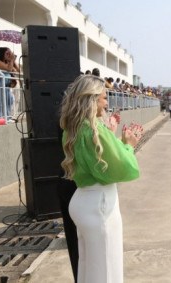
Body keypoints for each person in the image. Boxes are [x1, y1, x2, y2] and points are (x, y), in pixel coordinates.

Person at [60, 75, 140, 283]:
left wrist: (115, 140)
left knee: (88, 268)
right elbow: (121, 167)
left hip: (81, 202)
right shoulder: (95, 130)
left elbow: (99, 159)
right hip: (100, 205)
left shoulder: (72, 129)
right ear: (92, 100)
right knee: (107, 270)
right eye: (104, 98)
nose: (107, 102)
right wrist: (129, 144)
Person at [0, 47, 19, 123]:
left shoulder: (8, 62)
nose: (9, 55)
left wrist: (13, 60)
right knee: (0, 101)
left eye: (9, 53)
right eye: (7, 53)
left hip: (6, 84)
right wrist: (11, 60)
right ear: (1, 53)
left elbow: (17, 70)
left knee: (10, 100)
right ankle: (0, 118)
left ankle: (8, 117)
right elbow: (9, 69)